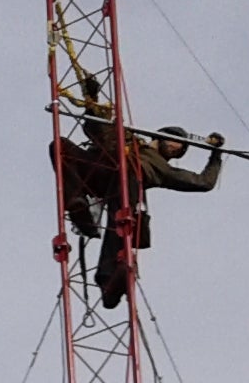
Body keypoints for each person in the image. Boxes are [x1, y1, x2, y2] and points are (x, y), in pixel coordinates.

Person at [53, 73, 224, 311]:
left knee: (121, 214)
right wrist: (92, 98)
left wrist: (216, 155)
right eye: (177, 142)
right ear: (160, 137)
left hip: (126, 186)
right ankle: (77, 204)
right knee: (60, 146)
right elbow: (97, 129)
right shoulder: (127, 139)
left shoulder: (162, 169)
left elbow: (204, 182)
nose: (178, 148)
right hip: (102, 171)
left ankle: (108, 280)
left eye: (182, 150)